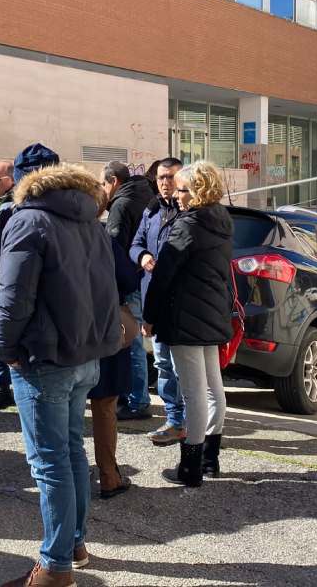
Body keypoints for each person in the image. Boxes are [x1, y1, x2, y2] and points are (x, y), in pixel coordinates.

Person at [0, 164, 120, 587]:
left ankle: (55, 567)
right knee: (69, 453)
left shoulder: (29, 221)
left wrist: (3, 349)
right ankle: (73, 545)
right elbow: (108, 289)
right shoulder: (93, 224)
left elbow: (13, 296)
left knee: (51, 463)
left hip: (45, 359)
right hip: (84, 355)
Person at [143, 161, 233, 487]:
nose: (176, 195)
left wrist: (149, 316)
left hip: (186, 318)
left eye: (182, 189)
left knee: (195, 394)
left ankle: (190, 469)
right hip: (211, 315)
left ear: (196, 191)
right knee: (213, 390)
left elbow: (163, 276)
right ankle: (210, 460)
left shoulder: (187, 225)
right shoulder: (221, 221)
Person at [0, 145, 61, 412]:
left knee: (10, 333)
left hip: (9, 282)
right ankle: (2, 387)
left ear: (13, 179)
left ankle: (16, 385)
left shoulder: (21, 209)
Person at [89, 191, 141, 501]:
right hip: (105, 325)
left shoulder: (50, 232)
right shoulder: (102, 238)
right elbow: (128, 281)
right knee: (105, 404)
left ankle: (67, 476)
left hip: (65, 331)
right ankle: (108, 475)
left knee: (65, 406)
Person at [129, 157, 185, 442]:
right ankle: (175, 420)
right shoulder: (151, 211)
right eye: (162, 178)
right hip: (154, 300)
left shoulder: (189, 213)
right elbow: (135, 243)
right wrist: (143, 255)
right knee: (163, 364)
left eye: (171, 177)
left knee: (182, 368)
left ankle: (190, 422)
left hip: (182, 305)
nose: (165, 183)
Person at [102, 161, 155, 423]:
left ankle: (138, 402)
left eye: (104, 184)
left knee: (132, 343)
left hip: (130, 281)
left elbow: (115, 247)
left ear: (113, 181)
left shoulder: (122, 204)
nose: (103, 190)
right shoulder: (145, 194)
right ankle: (135, 398)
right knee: (137, 343)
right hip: (143, 277)